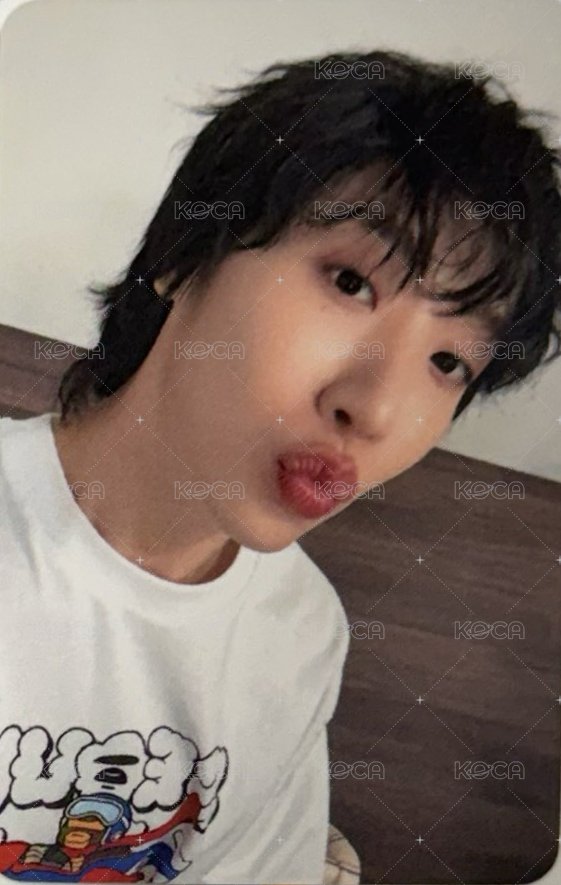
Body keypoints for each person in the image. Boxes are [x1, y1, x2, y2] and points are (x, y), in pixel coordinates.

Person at [0, 48, 560, 884]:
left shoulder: (301, 631)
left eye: (448, 362)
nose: (376, 409)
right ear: (185, 256)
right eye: (350, 282)